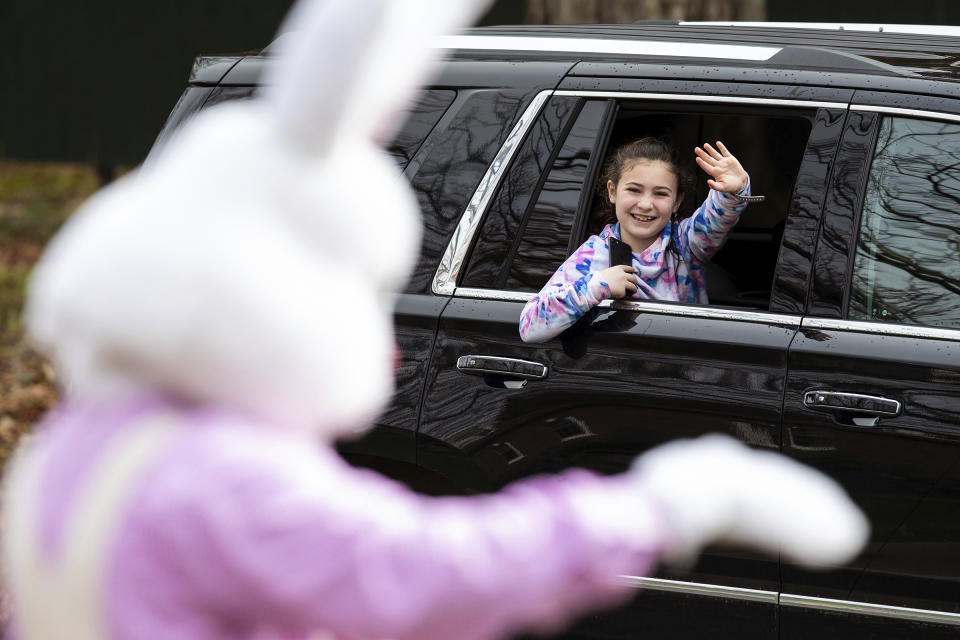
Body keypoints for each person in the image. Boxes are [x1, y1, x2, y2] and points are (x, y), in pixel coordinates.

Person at [1, 2, 867, 639]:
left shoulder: (79, 446)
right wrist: (666, 504)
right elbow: (429, 572)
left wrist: (735, 195)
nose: (375, 336)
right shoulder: (228, 479)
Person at [519, 136, 752, 343]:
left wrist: (734, 190)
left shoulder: (685, 243)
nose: (645, 204)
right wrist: (596, 286)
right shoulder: (593, 256)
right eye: (634, 190)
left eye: (660, 193)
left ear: (677, 202)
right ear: (612, 191)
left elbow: (717, 217)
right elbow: (530, 327)